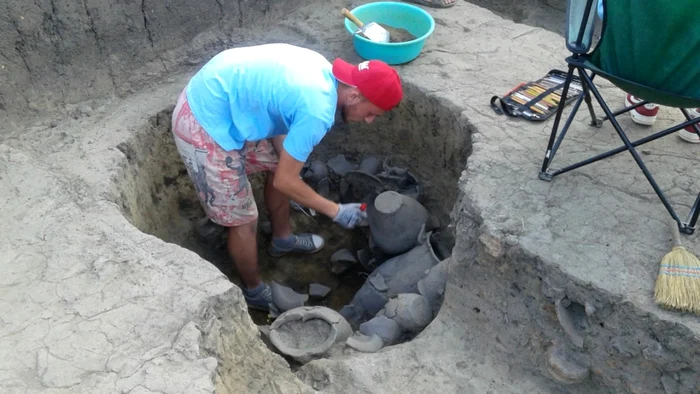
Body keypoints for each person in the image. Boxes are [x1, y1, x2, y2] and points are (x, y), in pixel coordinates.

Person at [170, 43, 403, 311]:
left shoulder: (324, 72)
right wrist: (336, 210)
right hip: (203, 121)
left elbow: (280, 114)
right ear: (353, 96)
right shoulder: (318, 110)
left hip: (228, 98)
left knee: (281, 165)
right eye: (372, 112)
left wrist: (287, 168)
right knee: (244, 219)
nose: (370, 120)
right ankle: (254, 292)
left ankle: (282, 239)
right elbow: (285, 181)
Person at [596, 0, 699, 143]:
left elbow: (605, 12)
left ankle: (645, 100)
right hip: (694, 87)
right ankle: (697, 121)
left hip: (623, 67)